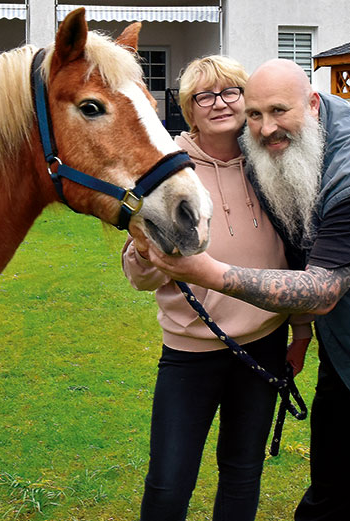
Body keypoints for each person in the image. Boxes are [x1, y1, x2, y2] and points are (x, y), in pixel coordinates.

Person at [141, 58, 350, 521]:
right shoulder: (283, 142)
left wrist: (209, 272)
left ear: (313, 104)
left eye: (279, 111)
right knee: (336, 470)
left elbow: (322, 291)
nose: (264, 128)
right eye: (254, 115)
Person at [123, 55, 313, 521]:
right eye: (204, 96)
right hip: (190, 353)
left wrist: (302, 331)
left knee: (243, 471)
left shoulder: (273, 157)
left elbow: (296, 252)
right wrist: (144, 246)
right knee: (169, 482)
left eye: (231, 92)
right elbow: (140, 277)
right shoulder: (167, 169)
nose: (220, 103)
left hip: (263, 345)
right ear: (189, 109)